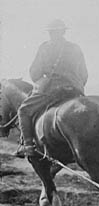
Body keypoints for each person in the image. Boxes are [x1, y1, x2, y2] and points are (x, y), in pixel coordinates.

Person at [16, 19, 88, 158]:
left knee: (23, 110)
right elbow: (84, 74)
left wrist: (43, 81)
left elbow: (35, 73)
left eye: (51, 32)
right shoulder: (75, 48)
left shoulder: (45, 47)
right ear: (64, 31)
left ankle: (29, 146)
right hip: (74, 89)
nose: (52, 34)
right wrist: (76, 86)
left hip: (52, 89)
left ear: (50, 33)